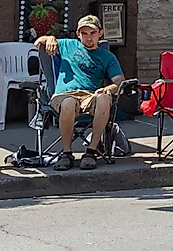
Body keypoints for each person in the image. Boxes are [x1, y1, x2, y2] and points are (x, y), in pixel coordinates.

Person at [37, 14, 127, 169]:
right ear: (78, 34)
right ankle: (66, 153)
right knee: (69, 103)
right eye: (84, 33)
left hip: (90, 96)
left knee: (105, 99)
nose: (88, 38)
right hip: (64, 95)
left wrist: (108, 89)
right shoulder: (67, 45)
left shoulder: (107, 57)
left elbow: (120, 82)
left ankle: (91, 151)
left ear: (100, 33)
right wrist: (49, 38)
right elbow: (38, 43)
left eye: (92, 33)